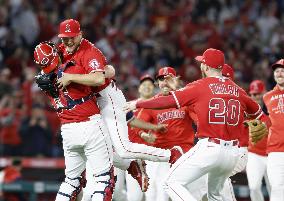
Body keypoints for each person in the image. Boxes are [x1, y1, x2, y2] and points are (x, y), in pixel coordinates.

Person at [124, 48, 269, 201]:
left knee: (170, 182)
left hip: (210, 148)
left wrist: (138, 103)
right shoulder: (238, 90)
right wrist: (264, 127)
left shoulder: (200, 85)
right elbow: (261, 116)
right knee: (216, 195)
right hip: (233, 153)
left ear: (205, 67)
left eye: (202, 63)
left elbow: (168, 100)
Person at [56, 18, 182, 192]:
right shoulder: (61, 50)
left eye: (72, 37)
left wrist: (71, 77)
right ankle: (132, 166)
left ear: (80, 35)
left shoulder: (89, 50)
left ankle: (171, 154)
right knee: (95, 148)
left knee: (122, 148)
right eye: (64, 38)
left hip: (107, 97)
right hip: (91, 103)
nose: (68, 41)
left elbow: (99, 78)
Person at [34, 42, 114, 201]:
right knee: (104, 179)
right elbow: (100, 77)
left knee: (71, 181)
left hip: (68, 131)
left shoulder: (43, 80)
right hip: (89, 125)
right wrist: (109, 69)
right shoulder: (72, 70)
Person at [138, 67, 206, 201]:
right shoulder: (152, 103)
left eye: (168, 79)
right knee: (158, 195)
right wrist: (143, 134)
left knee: (194, 191)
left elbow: (199, 119)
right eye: (161, 79)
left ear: (175, 81)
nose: (164, 82)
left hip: (185, 153)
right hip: (162, 155)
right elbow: (137, 125)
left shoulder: (185, 101)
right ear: (157, 83)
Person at [263, 59, 284, 201]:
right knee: (276, 187)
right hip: (275, 150)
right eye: (277, 71)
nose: (280, 73)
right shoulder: (267, 97)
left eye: (283, 70)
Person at [246, 80, 270, 201]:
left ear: (264, 93)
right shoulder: (247, 111)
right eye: (252, 94)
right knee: (254, 187)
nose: (255, 97)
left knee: (275, 189)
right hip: (254, 154)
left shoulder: (273, 107)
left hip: (273, 154)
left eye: (257, 94)